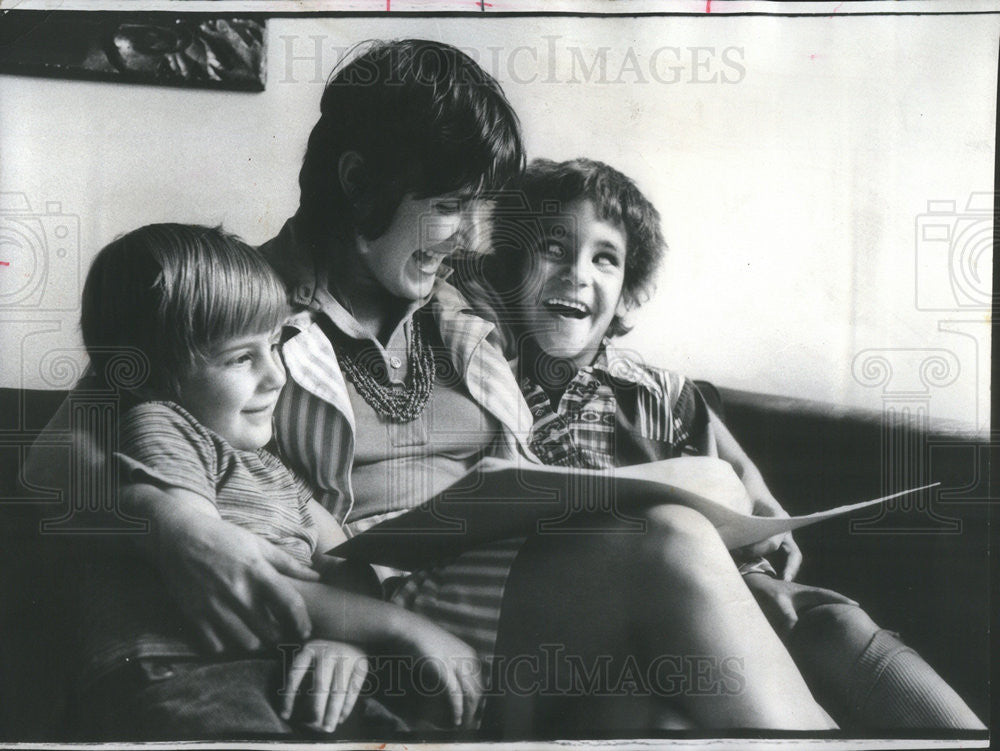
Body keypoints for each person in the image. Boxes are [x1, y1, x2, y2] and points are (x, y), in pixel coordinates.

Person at [28, 40, 834, 736]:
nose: (471, 235)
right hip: (391, 616)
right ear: (357, 180)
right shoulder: (239, 302)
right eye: (450, 205)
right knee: (675, 545)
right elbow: (57, 450)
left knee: (777, 624)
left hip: (530, 593)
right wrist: (174, 519)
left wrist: (746, 479)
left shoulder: (459, 297)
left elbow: (618, 359)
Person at [455, 155, 984, 730]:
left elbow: (745, 487)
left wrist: (764, 526)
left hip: (715, 583)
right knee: (661, 698)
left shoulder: (658, 390)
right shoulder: (491, 375)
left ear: (626, 290)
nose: (578, 274)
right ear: (510, 266)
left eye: (604, 258)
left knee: (832, 623)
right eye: (553, 249)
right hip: (590, 614)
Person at [72, 223, 484, 738]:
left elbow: (346, 562)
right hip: (182, 670)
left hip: (276, 667)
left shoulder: (274, 471)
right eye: (241, 358)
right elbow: (249, 584)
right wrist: (406, 629)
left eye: (275, 343)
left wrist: (346, 640)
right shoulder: (162, 425)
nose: (276, 375)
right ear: (149, 374)